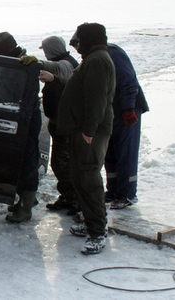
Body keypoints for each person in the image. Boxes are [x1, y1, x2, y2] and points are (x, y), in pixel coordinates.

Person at [41, 23, 115, 255]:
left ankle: (97, 232)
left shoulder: (97, 61)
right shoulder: (93, 59)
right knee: (80, 177)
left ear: (89, 40)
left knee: (88, 178)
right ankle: (90, 221)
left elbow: (96, 99)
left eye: (79, 40)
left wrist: (89, 130)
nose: (76, 44)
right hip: (82, 130)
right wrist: (55, 80)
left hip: (89, 133)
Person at [0, 32, 42, 223]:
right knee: (20, 160)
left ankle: (26, 207)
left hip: (23, 120)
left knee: (27, 161)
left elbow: (25, 96)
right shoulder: (15, 62)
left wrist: (16, 120)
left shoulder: (26, 66)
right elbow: (1, 75)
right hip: (19, 118)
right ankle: (24, 200)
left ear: (4, 50)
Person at [37, 36, 80, 215]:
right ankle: (68, 197)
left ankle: (74, 199)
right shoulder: (66, 63)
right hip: (59, 122)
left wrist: (40, 66)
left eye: (45, 50)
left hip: (66, 124)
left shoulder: (66, 65)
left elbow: (56, 69)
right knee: (62, 163)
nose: (45, 53)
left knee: (63, 163)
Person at [104, 43, 149, 209]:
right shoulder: (95, 55)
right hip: (112, 110)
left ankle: (127, 195)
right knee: (111, 152)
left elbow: (128, 82)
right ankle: (114, 191)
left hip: (126, 110)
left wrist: (129, 108)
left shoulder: (112, 53)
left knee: (125, 152)